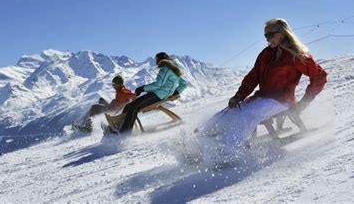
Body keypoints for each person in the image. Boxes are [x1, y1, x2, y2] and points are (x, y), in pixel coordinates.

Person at [200, 18, 327, 148]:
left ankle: (226, 149)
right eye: (265, 36)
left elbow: (320, 76)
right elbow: (253, 76)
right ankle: (199, 141)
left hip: (281, 101)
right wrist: (239, 95)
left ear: (283, 33)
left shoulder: (296, 54)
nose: (267, 39)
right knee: (232, 113)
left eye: (271, 35)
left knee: (247, 115)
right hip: (261, 98)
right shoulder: (265, 54)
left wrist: (305, 101)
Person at [108, 52, 188, 134]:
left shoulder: (165, 68)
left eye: (156, 60)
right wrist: (174, 92)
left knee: (133, 108)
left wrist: (142, 88)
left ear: (159, 59)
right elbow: (184, 84)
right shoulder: (174, 68)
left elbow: (158, 84)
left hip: (157, 95)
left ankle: (123, 133)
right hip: (160, 94)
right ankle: (118, 126)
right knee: (129, 106)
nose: (156, 62)